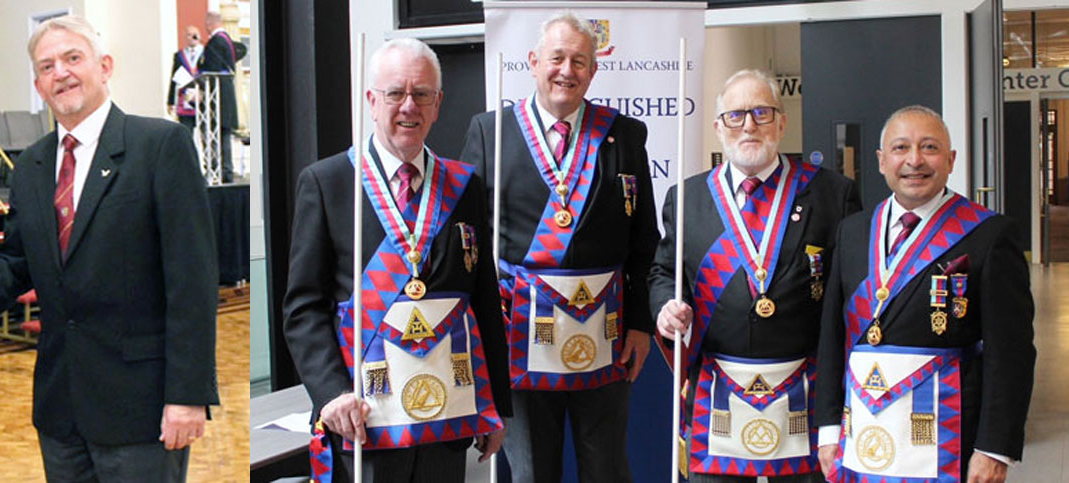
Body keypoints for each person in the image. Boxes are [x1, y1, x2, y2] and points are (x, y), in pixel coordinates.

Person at [0, 15, 219, 482]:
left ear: (104, 66)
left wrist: (188, 394)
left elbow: (192, 281)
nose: (61, 72)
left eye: (73, 58)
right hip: (61, 409)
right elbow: (18, 261)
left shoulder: (160, 145)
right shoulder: (32, 166)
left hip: (144, 409)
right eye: (47, 66)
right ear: (38, 85)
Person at [283, 37, 509, 482]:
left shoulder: (463, 186)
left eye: (422, 94)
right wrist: (331, 394)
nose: (409, 106)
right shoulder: (328, 183)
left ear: (438, 103)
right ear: (372, 101)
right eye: (396, 93)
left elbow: (483, 298)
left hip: (444, 414)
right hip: (364, 417)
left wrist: (494, 404)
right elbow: (303, 306)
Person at [458, 13, 657, 482]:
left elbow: (644, 240)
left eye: (580, 61)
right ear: (533, 62)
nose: (567, 70)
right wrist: (483, 330)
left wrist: (640, 325)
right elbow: (468, 242)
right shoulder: (491, 133)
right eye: (557, 58)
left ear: (593, 70)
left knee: (606, 469)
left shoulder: (624, 135)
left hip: (605, 336)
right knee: (532, 474)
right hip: (521, 340)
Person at [650, 69, 859, 483]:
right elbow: (663, 271)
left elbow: (850, 291)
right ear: (718, 126)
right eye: (736, 115)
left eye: (762, 113)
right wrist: (664, 308)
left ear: (782, 122)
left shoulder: (832, 194)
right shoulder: (687, 198)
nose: (749, 125)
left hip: (806, 388)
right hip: (718, 389)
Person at [815, 106, 1034, 482]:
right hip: (863, 430)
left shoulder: (988, 235)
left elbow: (1011, 353)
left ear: (950, 160)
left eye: (929, 147)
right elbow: (832, 338)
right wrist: (828, 427)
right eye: (900, 148)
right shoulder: (852, 231)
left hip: (948, 436)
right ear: (882, 161)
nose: (914, 160)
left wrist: (994, 447)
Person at [198, 10, 246, 183]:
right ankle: (224, 169)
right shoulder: (227, 40)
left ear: (210, 24)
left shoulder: (216, 43)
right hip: (224, 95)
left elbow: (211, 68)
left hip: (216, 96)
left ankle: (219, 169)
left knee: (218, 134)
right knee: (223, 133)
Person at [167, 25, 203, 130]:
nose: (192, 37)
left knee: (205, 133)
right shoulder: (179, 55)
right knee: (186, 131)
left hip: (202, 97)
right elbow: (174, 78)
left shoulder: (206, 54)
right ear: (185, 38)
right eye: (189, 35)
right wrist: (170, 101)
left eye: (194, 35)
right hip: (185, 98)